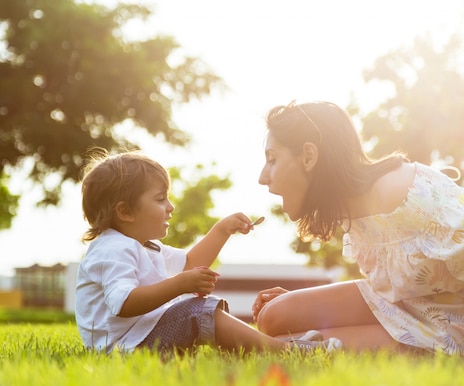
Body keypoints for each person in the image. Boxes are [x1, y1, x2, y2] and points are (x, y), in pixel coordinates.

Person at [252, 100, 464, 356]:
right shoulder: (349, 206)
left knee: (284, 348)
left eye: (272, 159)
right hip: (409, 306)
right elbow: (400, 278)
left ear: (309, 157)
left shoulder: (407, 195)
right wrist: (301, 305)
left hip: (461, 328)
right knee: (271, 317)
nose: (263, 177)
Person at [75, 148, 341, 355]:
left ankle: (271, 346)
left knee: (203, 311)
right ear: (125, 211)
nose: (170, 207)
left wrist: (222, 230)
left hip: (142, 337)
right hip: (125, 348)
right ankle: (287, 352)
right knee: (197, 310)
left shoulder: (145, 245)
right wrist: (178, 286)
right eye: (159, 199)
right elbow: (123, 303)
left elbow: (189, 263)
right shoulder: (111, 248)